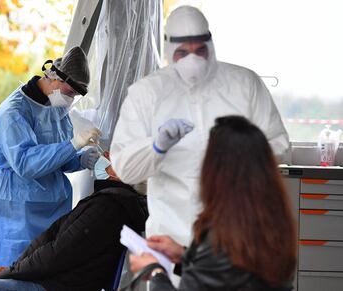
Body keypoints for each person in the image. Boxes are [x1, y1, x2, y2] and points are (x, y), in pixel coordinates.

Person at [110, 5, 289, 247]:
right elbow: (125, 169)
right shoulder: (147, 93)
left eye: (200, 50)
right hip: (170, 236)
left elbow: (280, 145)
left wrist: (242, 155)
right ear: (168, 47)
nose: (192, 59)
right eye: (182, 52)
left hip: (234, 235)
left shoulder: (244, 84)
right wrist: (155, 147)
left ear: (211, 44)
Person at [0, 46, 102, 278]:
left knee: (41, 268)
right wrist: (73, 145)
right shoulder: (13, 112)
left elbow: (58, 159)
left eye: (75, 95)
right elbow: (26, 164)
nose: (70, 98)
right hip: (13, 203)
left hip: (52, 205)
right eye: (69, 91)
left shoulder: (55, 107)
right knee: (3, 273)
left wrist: (82, 159)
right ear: (53, 77)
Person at [128, 115, 297, 291]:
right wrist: (184, 256)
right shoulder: (273, 226)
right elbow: (230, 278)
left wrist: (155, 272)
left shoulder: (223, 237)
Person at [0, 153, 149, 291]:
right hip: (51, 281)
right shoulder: (106, 202)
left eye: (111, 155)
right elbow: (49, 240)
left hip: (53, 286)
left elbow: (56, 254)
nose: (103, 156)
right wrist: (12, 269)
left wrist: (9, 272)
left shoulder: (107, 208)